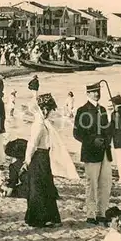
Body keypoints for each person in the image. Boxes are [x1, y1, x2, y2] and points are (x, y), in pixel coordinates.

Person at [21, 93, 78, 228]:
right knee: (39, 188)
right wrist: (27, 161)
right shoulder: (39, 124)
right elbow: (32, 144)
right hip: (38, 157)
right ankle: (38, 219)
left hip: (44, 157)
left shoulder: (45, 123)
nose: (46, 111)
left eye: (48, 109)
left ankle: (46, 218)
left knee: (45, 186)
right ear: (39, 109)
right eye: (44, 109)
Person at [73, 82, 113, 226]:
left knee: (105, 183)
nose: (97, 94)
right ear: (88, 93)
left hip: (105, 152)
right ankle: (91, 214)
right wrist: (93, 140)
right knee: (91, 184)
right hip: (91, 152)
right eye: (94, 92)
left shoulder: (103, 110)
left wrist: (113, 118)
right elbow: (77, 133)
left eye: (98, 91)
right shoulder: (82, 110)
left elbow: (108, 131)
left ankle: (101, 213)